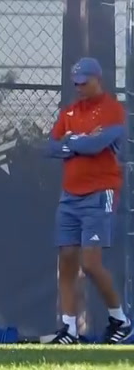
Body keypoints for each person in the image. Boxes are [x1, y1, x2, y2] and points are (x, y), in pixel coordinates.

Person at [44, 57, 131, 344]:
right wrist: (79, 142)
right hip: (69, 196)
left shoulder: (113, 109)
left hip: (100, 193)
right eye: (76, 83)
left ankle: (120, 320)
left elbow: (98, 144)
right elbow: (50, 147)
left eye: (85, 82)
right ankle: (68, 329)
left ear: (97, 80)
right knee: (67, 260)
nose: (79, 88)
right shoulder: (69, 112)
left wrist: (74, 142)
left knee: (90, 263)